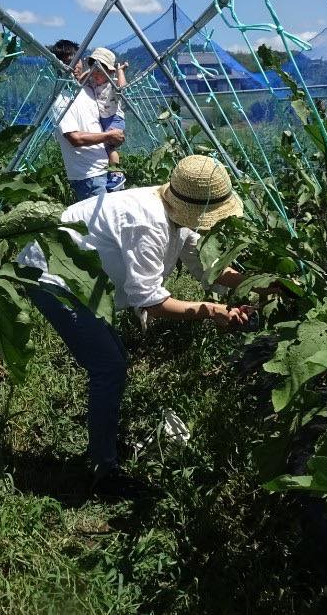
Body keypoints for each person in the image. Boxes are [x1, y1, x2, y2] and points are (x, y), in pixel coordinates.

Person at [18, 155, 256, 496]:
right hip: (53, 276)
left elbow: (203, 265)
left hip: (82, 274)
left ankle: (105, 446)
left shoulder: (177, 209)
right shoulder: (149, 224)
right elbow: (152, 302)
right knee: (108, 365)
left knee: (112, 359)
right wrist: (213, 310)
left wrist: (255, 283)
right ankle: (103, 470)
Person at [48, 39, 125, 202]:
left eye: (77, 61)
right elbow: (75, 139)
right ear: (58, 65)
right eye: (68, 62)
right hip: (88, 177)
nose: (74, 66)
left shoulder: (88, 89)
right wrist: (109, 137)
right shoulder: (60, 100)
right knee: (99, 225)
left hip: (106, 169)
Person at [85, 47, 128, 190]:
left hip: (115, 119)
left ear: (109, 72)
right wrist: (90, 71)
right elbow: (80, 81)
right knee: (104, 147)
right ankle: (111, 173)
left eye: (99, 72)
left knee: (109, 147)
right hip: (103, 120)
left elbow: (123, 88)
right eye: (93, 71)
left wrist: (120, 71)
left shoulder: (112, 83)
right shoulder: (92, 82)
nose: (95, 75)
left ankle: (117, 173)